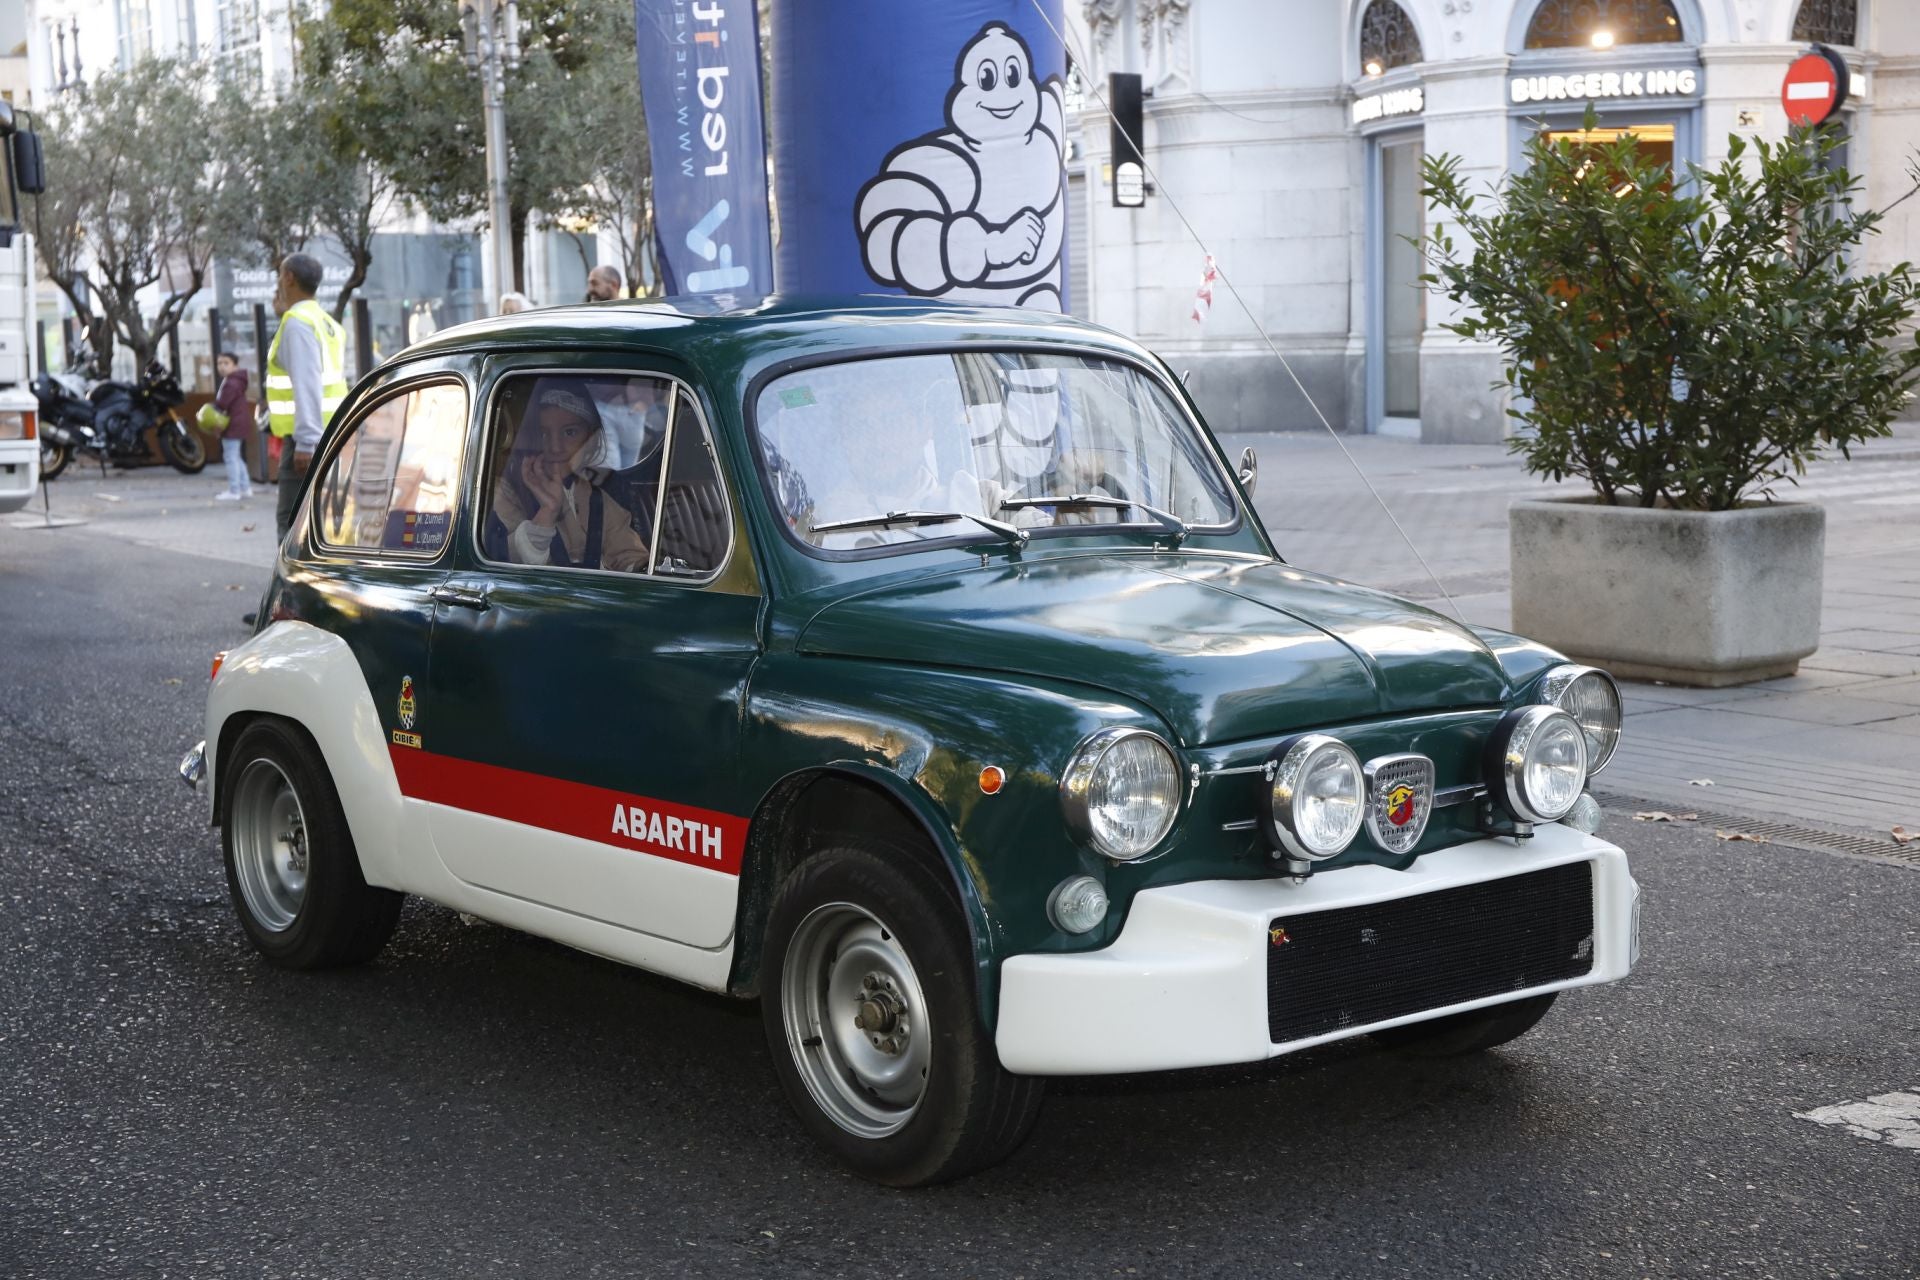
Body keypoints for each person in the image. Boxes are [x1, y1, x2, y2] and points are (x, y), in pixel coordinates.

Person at [485, 379, 652, 573]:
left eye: (569, 432)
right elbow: (504, 559)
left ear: (591, 439)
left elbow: (629, 555)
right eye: (543, 434)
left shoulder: (595, 498)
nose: (555, 447)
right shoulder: (503, 494)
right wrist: (547, 512)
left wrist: (638, 568)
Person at [265, 252, 348, 541]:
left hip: (308, 440)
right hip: (333, 433)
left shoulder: (297, 323)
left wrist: (305, 441)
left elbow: (307, 383)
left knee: (292, 522)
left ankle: (291, 585)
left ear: (288, 277)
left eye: (279, 276)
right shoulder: (325, 323)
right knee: (320, 521)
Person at [210, 352, 256, 502]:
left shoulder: (231, 383)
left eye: (226, 363)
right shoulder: (235, 380)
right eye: (219, 363)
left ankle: (234, 490)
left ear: (235, 365)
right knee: (235, 456)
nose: (222, 366)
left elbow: (222, 404)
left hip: (232, 424)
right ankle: (245, 487)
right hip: (239, 422)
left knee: (230, 457)